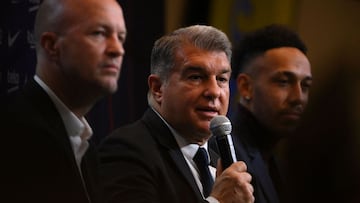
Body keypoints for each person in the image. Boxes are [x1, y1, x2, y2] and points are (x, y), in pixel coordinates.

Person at [98, 25, 254, 203]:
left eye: (221, 79)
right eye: (196, 77)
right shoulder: (126, 150)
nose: (214, 91)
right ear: (158, 88)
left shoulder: (221, 161)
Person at [0, 0, 126, 202]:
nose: (118, 50)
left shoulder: (86, 147)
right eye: (99, 33)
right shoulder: (14, 137)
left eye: (121, 38)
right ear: (51, 46)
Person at [223, 24, 312, 203]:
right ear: (246, 87)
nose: (298, 97)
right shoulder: (223, 155)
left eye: (305, 86)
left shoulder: (280, 162)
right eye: (284, 82)